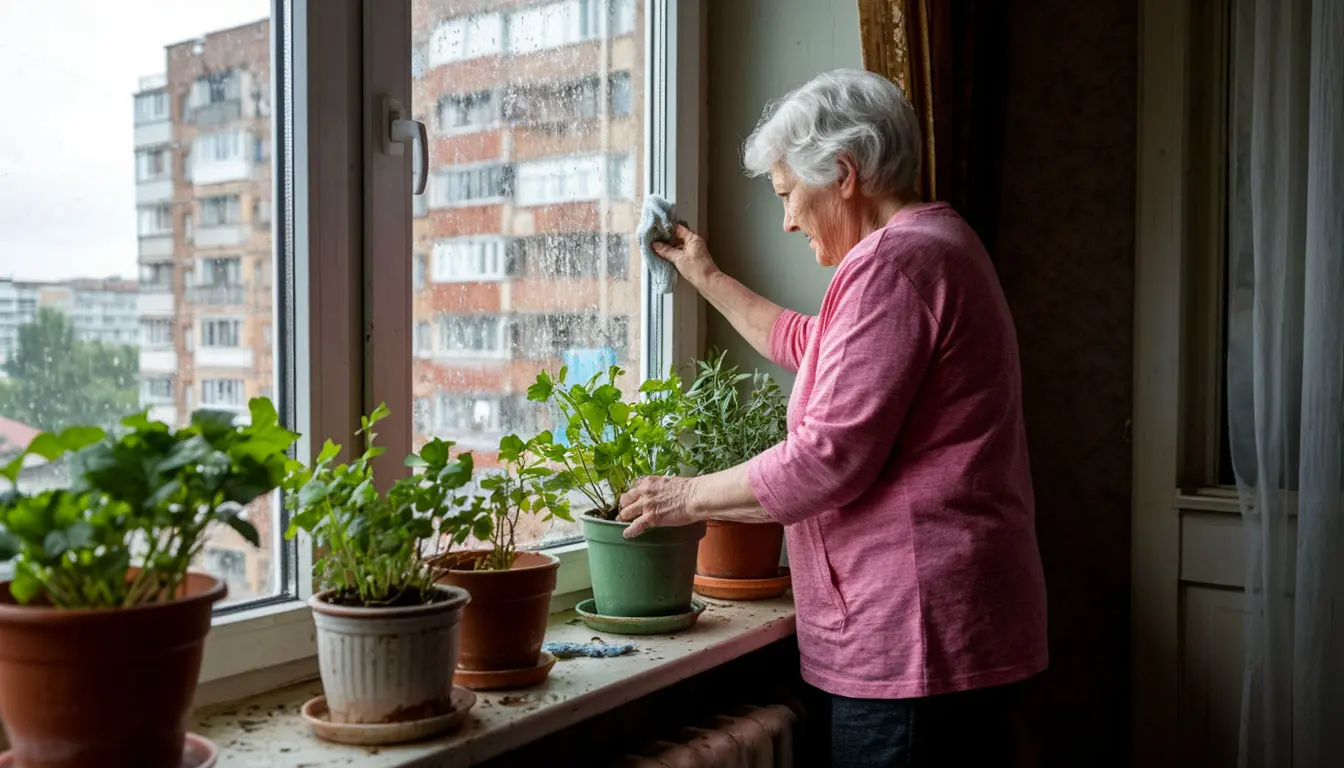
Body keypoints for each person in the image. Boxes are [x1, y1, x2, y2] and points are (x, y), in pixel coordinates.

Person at [617, 69, 1048, 766]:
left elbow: (826, 459)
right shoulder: (938, 245)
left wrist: (683, 495)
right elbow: (807, 342)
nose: (786, 220)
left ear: (845, 173)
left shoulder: (894, 264)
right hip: (944, 634)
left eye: (788, 195)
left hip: (916, 643)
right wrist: (704, 274)